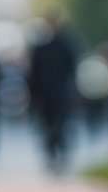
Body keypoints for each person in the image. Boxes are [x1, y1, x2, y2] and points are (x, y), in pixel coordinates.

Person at [28, 13, 79, 171]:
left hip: (51, 93)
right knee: (56, 124)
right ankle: (56, 147)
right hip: (55, 92)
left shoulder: (43, 48)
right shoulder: (64, 46)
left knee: (53, 124)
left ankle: (54, 148)